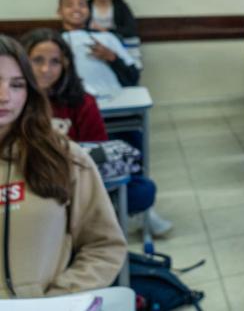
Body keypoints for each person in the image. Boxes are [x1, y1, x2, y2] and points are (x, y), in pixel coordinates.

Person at [0, 35, 126, 297]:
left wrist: (59, 299)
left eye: (17, 85)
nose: (4, 96)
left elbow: (103, 245)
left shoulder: (64, 156)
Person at [21, 29, 171, 237]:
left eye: (55, 61)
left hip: (72, 179)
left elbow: (96, 154)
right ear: (23, 61)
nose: (46, 69)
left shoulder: (82, 101)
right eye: (37, 60)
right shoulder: (12, 100)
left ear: (65, 64)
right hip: (23, 179)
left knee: (142, 190)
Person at [58, 0, 140, 98]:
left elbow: (133, 77)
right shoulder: (54, 41)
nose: (76, 9)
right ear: (59, 12)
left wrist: (112, 57)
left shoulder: (107, 37)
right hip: (73, 103)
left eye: (82, 5)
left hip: (114, 99)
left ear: (88, 11)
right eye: (69, 5)